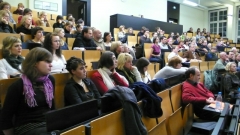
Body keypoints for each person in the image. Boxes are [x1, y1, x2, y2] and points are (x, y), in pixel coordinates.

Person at [0, 47, 55, 135]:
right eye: (47, 61)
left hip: (47, 123)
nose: (51, 65)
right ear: (35, 63)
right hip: (26, 127)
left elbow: (52, 107)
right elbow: (5, 118)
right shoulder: (18, 86)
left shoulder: (50, 80)